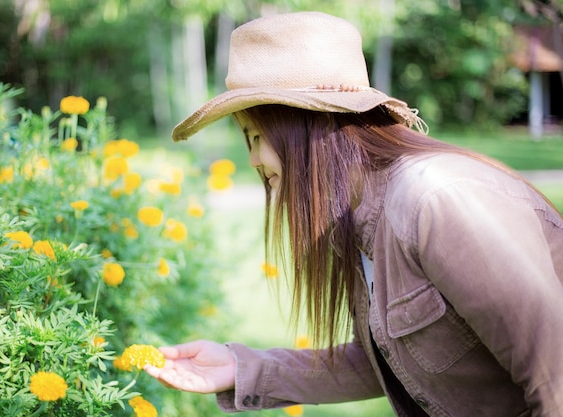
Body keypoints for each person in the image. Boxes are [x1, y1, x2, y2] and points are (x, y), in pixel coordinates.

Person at [145, 11, 563, 417]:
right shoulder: (362, 218)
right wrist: (242, 368)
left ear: (307, 126)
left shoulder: (437, 200)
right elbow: (394, 359)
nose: (253, 158)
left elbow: (554, 378)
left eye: (258, 135)